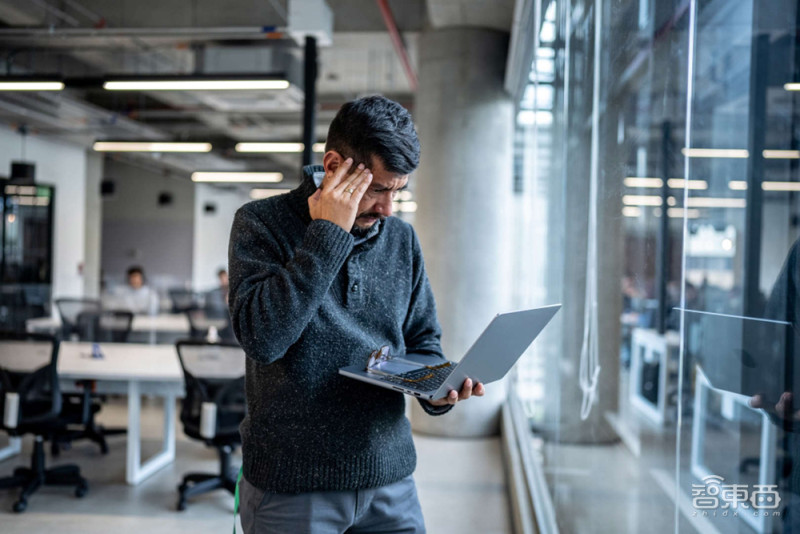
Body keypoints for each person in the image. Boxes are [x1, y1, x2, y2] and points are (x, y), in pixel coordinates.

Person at [228, 95, 484, 533]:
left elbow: (423, 341)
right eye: (378, 189)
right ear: (333, 167)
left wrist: (434, 387)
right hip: (292, 485)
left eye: (397, 191)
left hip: (390, 480)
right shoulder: (261, 223)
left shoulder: (401, 240)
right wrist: (329, 233)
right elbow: (263, 339)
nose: (387, 208)